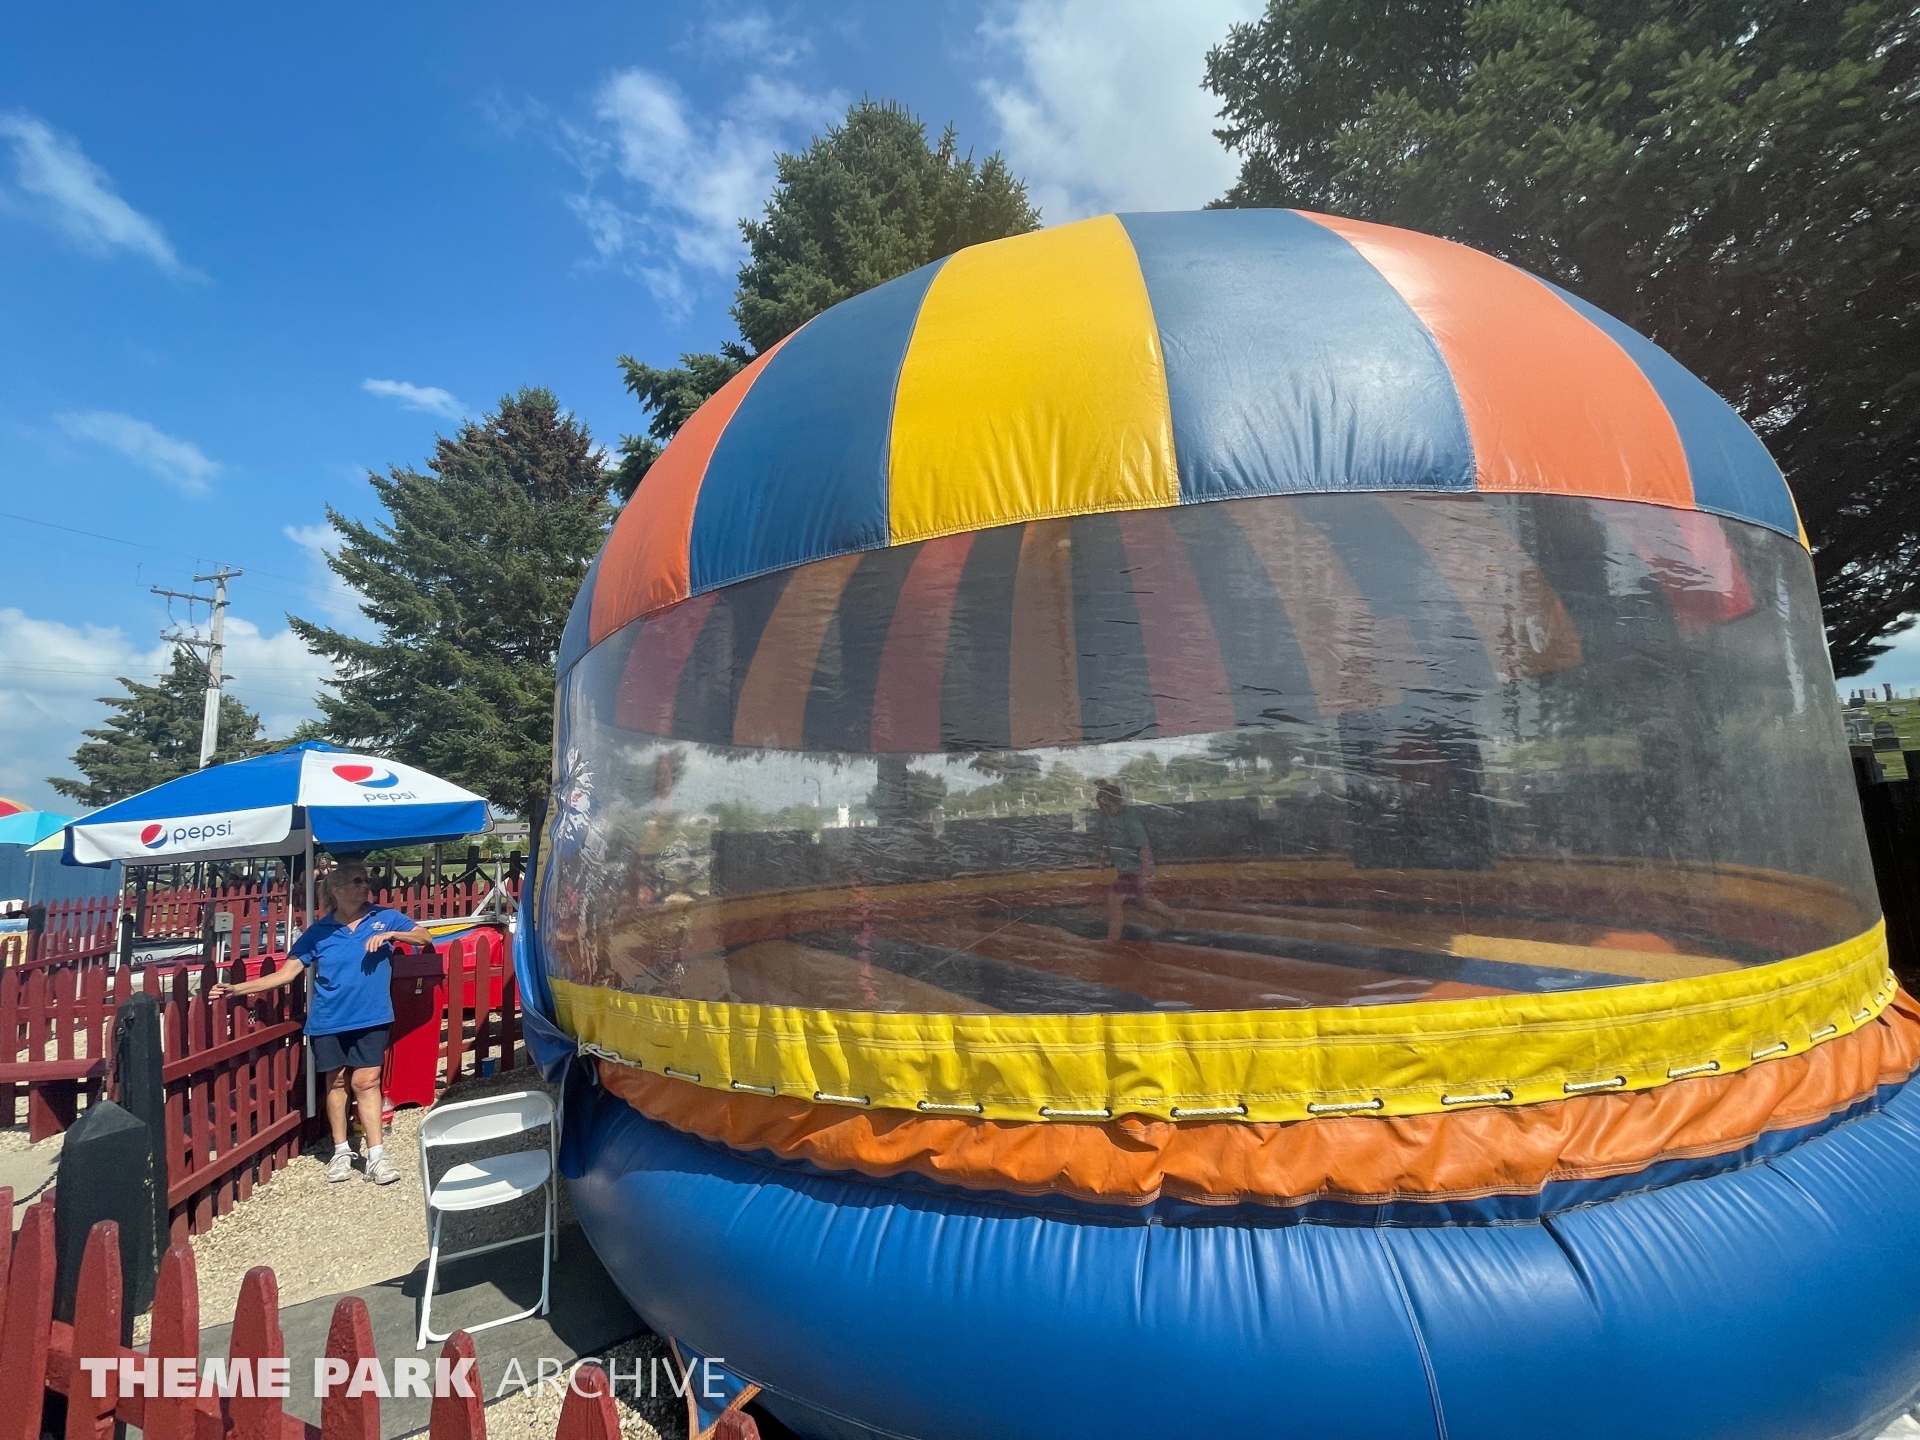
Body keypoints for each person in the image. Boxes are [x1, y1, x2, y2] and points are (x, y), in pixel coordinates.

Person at [210, 858, 432, 1185]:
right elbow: (286, 974)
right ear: (336, 889)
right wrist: (236, 989)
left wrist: (392, 935)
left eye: (366, 880)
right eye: (357, 881)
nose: (366, 886)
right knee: (337, 1083)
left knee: (366, 1082)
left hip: (372, 1016)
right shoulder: (318, 933)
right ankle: (341, 1151)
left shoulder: (384, 918)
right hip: (329, 1019)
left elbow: (424, 937)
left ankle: (377, 1156)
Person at [1094, 781, 1177, 941]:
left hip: (1135, 867)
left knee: (1114, 900)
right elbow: (1107, 840)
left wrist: (1143, 874)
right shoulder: (1107, 818)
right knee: (1144, 902)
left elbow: (1144, 847)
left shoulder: (1129, 819)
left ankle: (1112, 938)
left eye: (1107, 806)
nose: (1104, 810)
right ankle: (1176, 917)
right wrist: (1104, 858)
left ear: (1117, 802)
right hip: (1125, 868)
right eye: (1101, 807)